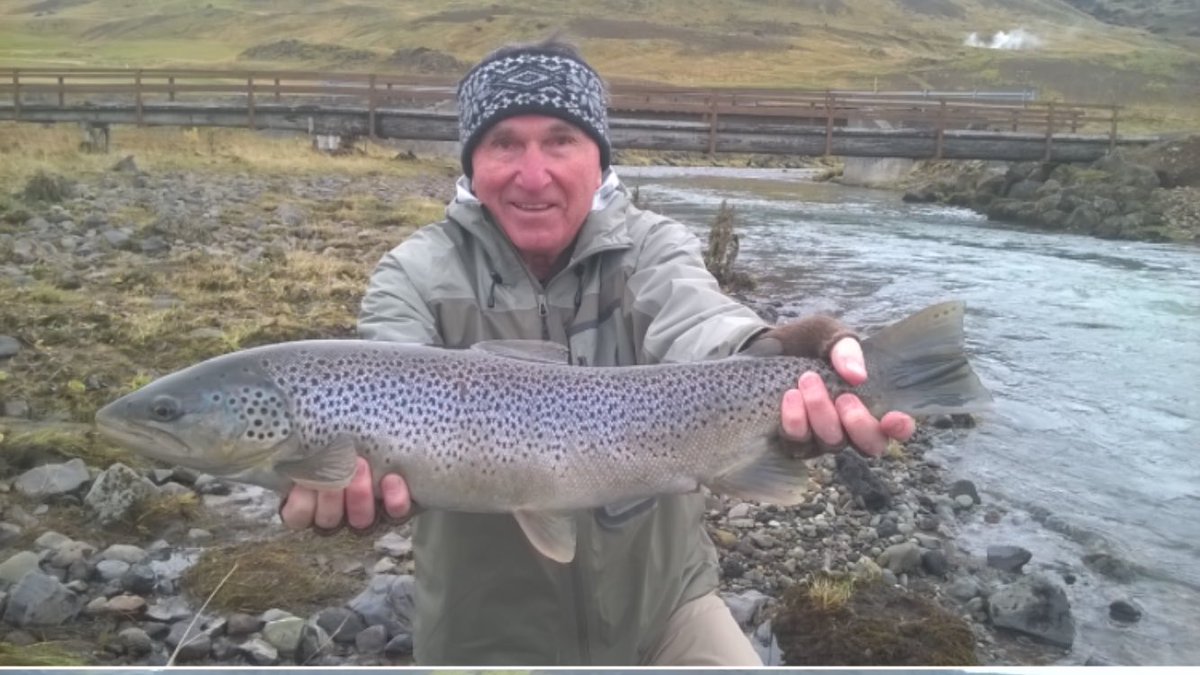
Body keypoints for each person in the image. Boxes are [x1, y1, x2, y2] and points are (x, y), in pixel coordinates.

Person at [280, 38, 915, 666]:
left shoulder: (653, 246)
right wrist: (349, 483)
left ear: (599, 157)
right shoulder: (412, 275)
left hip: (665, 610)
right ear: (471, 163)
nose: (534, 175)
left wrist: (769, 351)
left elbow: (698, 315)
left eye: (561, 140)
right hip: (484, 631)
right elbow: (383, 382)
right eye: (504, 143)